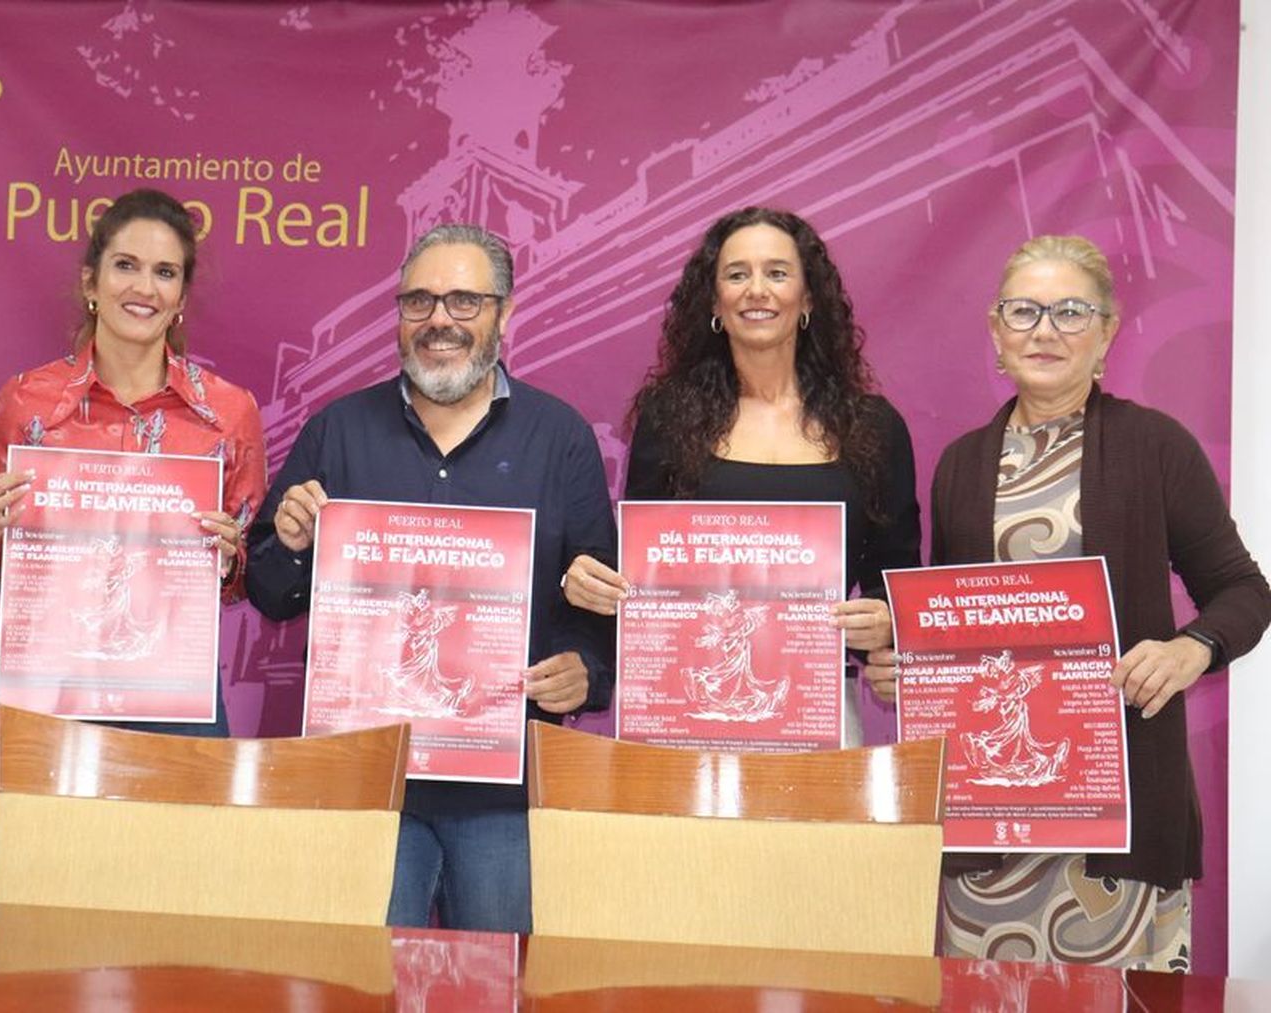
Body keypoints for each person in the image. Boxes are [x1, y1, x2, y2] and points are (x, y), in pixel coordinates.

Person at [866, 234, 1270, 970]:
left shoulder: (1158, 447)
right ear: (995, 331)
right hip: (989, 824)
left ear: (1108, 331)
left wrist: (1190, 649)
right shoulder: (961, 463)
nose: (1044, 330)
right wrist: (912, 674)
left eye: (1070, 311)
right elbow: (953, 626)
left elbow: (1245, 591)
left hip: (1117, 821)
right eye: (1023, 312)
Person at [246, 223, 616, 933]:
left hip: (503, 794)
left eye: (464, 301)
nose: (439, 319)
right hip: (369, 783)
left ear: (505, 314)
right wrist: (290, 542)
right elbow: (271, 590)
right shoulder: (338, 429)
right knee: (364, 983)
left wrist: (586, 671)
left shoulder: (560, 437)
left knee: (499, 985)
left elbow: (591, 594)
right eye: (418, 301)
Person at [0, 189, 268, 875]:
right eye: (127, 265)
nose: (144, 287)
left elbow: (242, 578)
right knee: (29, 914)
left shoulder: (230, 414)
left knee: (170, 919)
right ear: (91, 281)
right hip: (42, 700)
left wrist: (227, 560)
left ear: (183, 293)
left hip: (176, 701)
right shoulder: (25, 403)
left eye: (165, 272)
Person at [561, 208, 920, 742]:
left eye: (777, 273)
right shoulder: (668, 417)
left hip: (818, 717)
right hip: (686, 709)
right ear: (714, 302)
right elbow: (643, 573)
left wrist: (887, 622)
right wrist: (588, 581)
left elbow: (897, 577)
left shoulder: (873, 427)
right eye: (736, 275)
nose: (757, 290)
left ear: (809, 298)